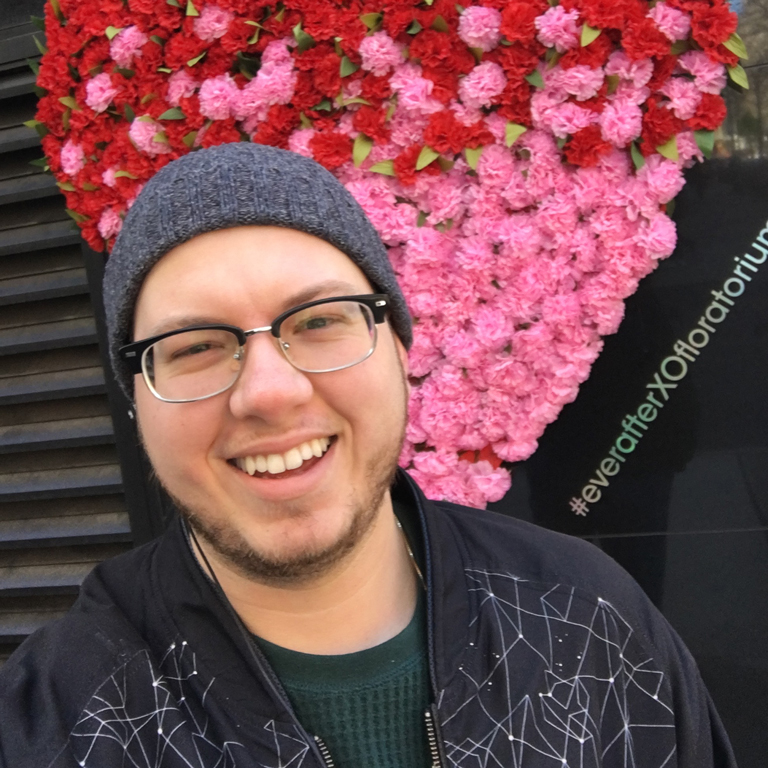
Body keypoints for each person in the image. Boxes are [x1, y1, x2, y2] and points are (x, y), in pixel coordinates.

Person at [0, 143, 736, 768]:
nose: (270, 392)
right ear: (137, 401)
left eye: (319, 321)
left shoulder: (592, 623)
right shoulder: (52, 720)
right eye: (193, 347)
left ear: (400, 351)